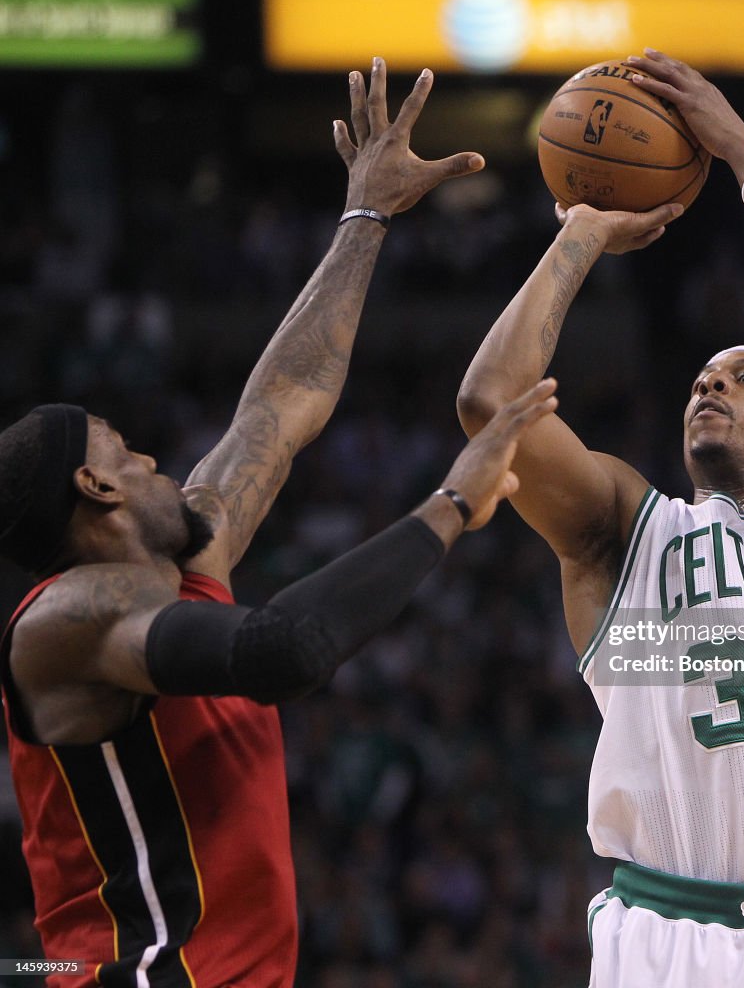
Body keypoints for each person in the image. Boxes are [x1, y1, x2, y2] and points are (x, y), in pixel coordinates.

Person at [0, 58, 559, 985]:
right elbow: (281, 650)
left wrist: (365, 218)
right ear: (95, 494)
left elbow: (282, 403)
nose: (151, 460)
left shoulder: (180, 552)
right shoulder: (68, 623)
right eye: (123, 450)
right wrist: (452, 503)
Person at [457, 51, 744, 987]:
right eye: (703, 379)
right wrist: (579, 235)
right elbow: (490, 401)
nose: (711, 384)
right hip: (669, 935)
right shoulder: (627, 529)